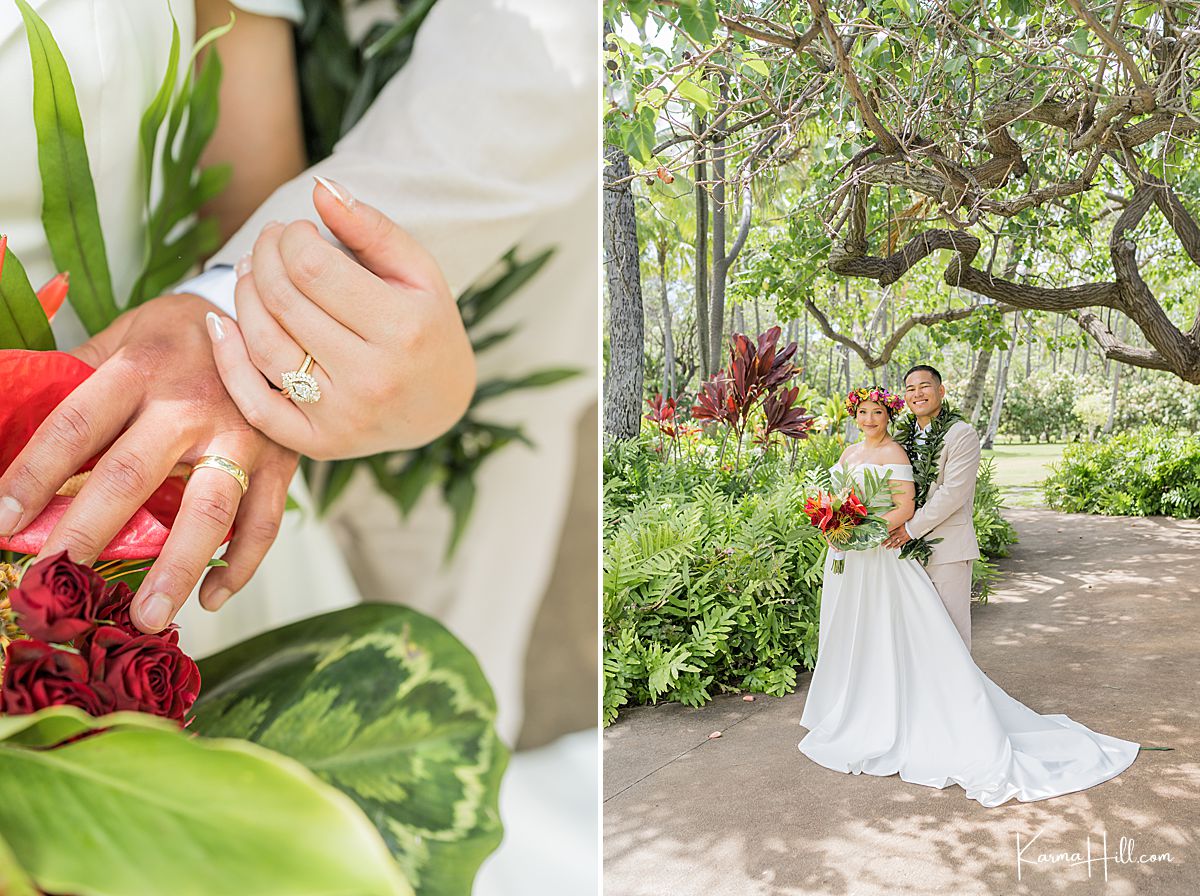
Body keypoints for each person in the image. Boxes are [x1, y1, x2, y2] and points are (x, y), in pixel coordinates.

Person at [798, 385, 1139, 806]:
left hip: (880, 552)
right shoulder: (849, 454)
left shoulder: (899, 453)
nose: (870, 419)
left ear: (889, 415)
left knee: (918, 635)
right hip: (849, 560)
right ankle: (854, 706)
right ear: (855, 416)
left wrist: (863, 532)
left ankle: (934, 713)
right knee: (853, 631)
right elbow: (836, 500)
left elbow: (905, 508)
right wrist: (835, 528)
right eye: (863, 412)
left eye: (877, 412)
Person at [881, 365, 980, 649]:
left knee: (951, 631)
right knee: (917, 633)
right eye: (910, 389)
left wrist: (910, 528)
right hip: (904, 550)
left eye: (924, 386)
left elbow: (953, 493)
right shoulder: (902, 438)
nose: (917, 394)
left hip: (947, 547)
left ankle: (960, 693)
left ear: (940, 390)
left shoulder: (961, 434)